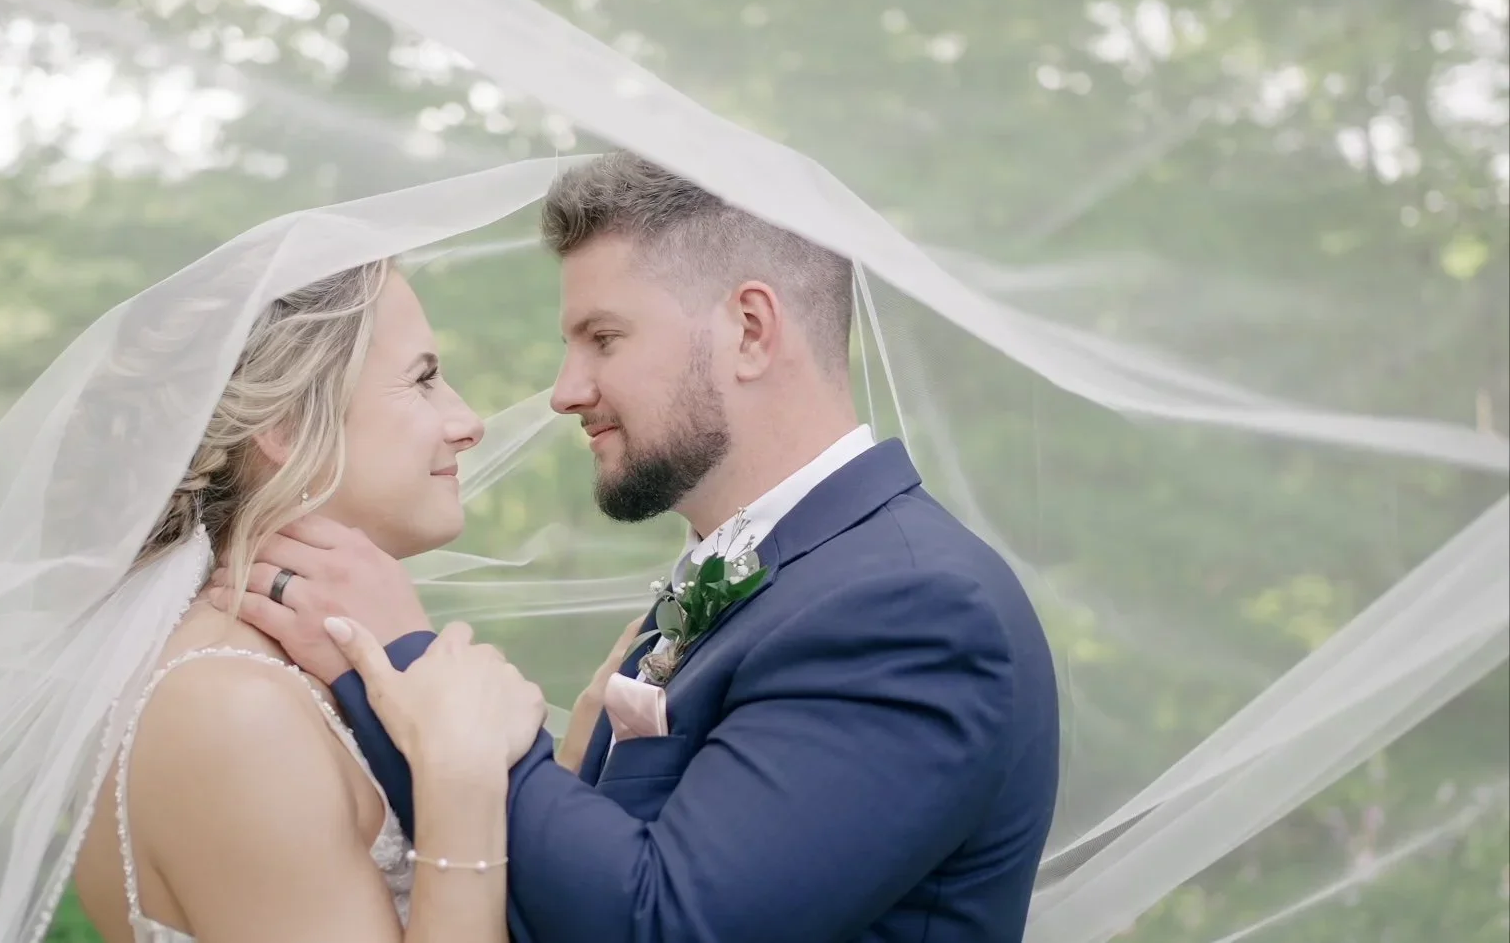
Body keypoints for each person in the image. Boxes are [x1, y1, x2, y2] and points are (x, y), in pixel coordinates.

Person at [218, 151, 1063, 942]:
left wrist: (401, 664)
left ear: (749, 329)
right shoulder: (763, 578)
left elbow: (666, 921)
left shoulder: (913, 610)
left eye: (605, 338)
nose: (564, 392)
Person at [62, 259, 549, 943]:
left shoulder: (299, 667)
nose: (468, 422)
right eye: (423, 379)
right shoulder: (229, 707)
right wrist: (462, 781)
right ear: (285, 427)